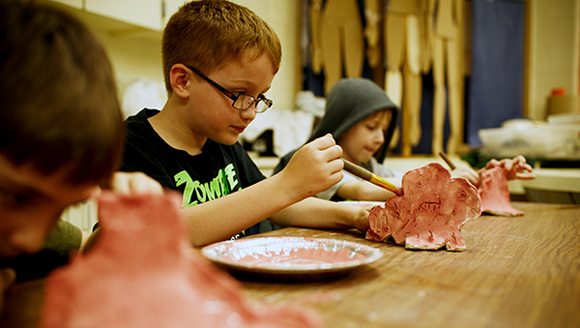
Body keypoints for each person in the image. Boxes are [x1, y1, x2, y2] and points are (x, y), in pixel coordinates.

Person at [121, 0, 370, 247]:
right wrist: (286, 183)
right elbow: (165, 231)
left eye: (259, 97)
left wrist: (355, 215)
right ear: (183, 81)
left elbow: (276, 205)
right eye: (240, 93)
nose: (251, 113)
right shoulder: (131, 143)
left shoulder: (219, 138)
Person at [0, 1, 163, 312]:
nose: (32, 241)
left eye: (63, 208)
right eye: (17, 199)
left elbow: (83, 246)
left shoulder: (36, 234)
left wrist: (124, 229)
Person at [274, 77, 534, 202]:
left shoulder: (370, 167)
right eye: (371, 126)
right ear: (343, 123)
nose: (380, 138)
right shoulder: (314, 163)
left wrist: (483, 174)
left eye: (384, 130)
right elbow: (363, 190)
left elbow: (406, 176)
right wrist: (445, 179)